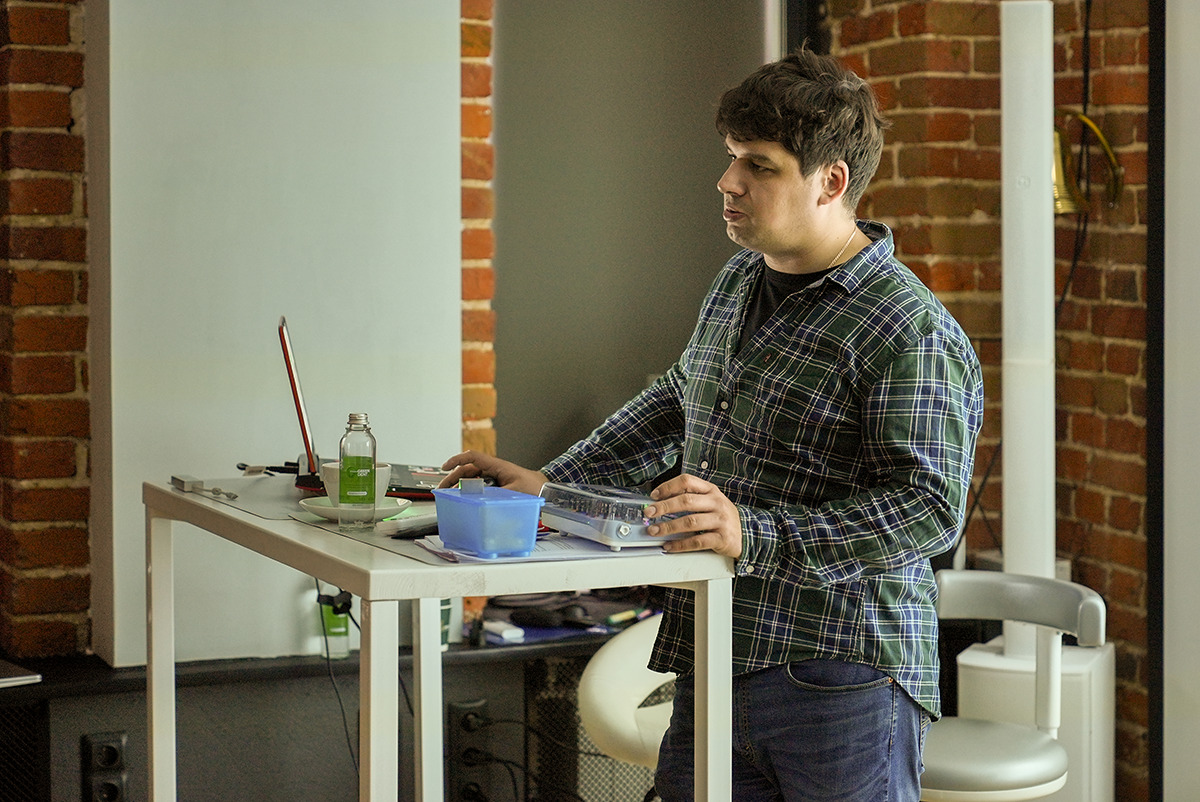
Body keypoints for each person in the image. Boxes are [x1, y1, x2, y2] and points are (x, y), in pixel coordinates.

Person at [441, 47, 984, 802]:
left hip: (841, 677)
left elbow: (927, 509)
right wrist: (551, 485)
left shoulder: (907, 327)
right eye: (732, 157)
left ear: (830, 182)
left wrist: (751, 534)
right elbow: (680, 398)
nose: (728, 182)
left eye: (759, 166)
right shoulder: (739, 278)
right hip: (718, 649)